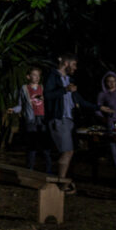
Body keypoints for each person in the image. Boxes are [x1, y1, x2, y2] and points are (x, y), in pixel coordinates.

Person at [43, 53, 97, 193]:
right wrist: (64, 90)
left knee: (69, 151)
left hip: (69, 119)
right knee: (67, 151)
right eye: (74, 64)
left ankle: (63, 181)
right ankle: (62, 184)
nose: (75, 68)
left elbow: (80, 100)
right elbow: (47, 96)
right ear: (66, 64)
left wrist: (99, 107)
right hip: (59, 119)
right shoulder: (53, 77)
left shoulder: (69, 80)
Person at [7, 66, 52, 173]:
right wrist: (13, 109)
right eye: (34, 75)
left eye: (38, 75)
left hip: (43, 118)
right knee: (32, 145)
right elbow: (20, 105)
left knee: (45, 145)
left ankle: (49, 170)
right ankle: (30, 169)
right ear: (28, 76)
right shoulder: (24, 88)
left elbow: (50, 101)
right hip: (31, 119)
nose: (37, 77)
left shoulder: (43, 87)